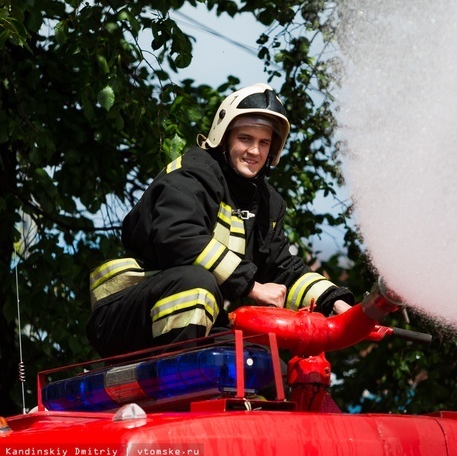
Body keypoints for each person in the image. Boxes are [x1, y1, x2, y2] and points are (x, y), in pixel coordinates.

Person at [86, 83, 354, 357]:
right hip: (125, 319)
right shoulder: (192, 173)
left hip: (200, 325)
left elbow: (282, 268)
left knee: (270, 372)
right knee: (196, 281)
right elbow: (178, 237)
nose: (254, 151)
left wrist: (335, 303)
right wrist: (252, 286)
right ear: (223, 137)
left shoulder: (268, 203)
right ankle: (181, 378)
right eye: (245, 139)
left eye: (264, 143)